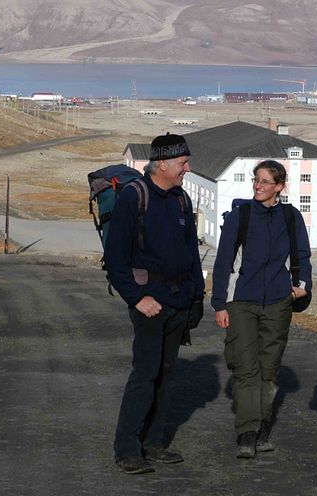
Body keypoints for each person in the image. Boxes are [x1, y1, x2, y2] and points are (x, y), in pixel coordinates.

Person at [105, 133, 205, 475]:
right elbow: (115, 260)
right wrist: (138, 298)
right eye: (182, 164)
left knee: (166, 375)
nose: (187, 170)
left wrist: (197, 297)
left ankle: (154, 443)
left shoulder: (181, 200)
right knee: (145, 374)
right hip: (150, 305)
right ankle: (127, 448)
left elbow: (191, 252)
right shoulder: (135, 198)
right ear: (161, 164)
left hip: (179, 303)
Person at [211, 159, 312, 459]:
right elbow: (223, 261)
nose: (258, 186)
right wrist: (219, 304)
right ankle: (247, 432)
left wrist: (301, 285)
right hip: (241, 302)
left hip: (279, 304)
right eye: (256, 180)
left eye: (265, 182)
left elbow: (302, 255)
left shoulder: (291, 217)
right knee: (245, 368)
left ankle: (261, 427)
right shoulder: (240, 216)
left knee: (268, 371)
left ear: (280, 186)